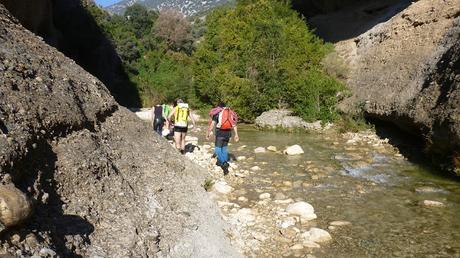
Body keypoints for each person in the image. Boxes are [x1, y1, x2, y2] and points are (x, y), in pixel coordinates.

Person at [206, 102, 239, 175]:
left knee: (218, 149)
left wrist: (208, 133)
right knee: (224, 148)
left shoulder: (217, 113)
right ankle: (224, 162)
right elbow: (234, 124)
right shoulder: (230, 113)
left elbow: (212, 125)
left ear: (218, 107)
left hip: (220, 133)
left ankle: (224, 164)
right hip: (228, 133)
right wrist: (236, 134)